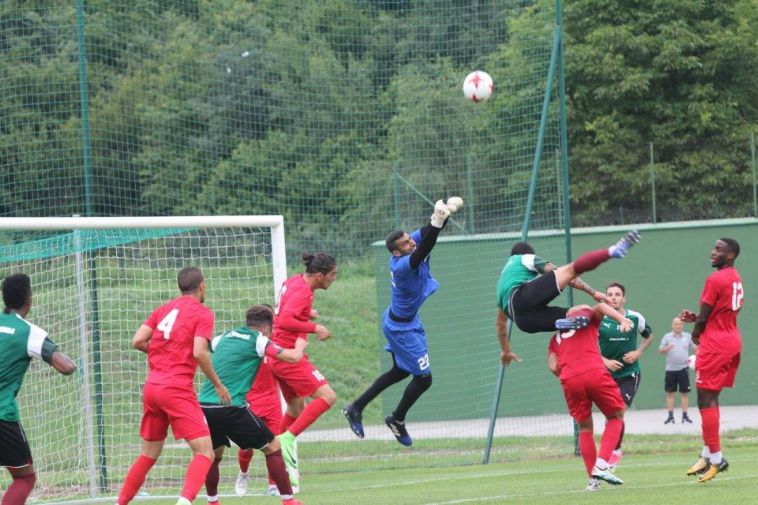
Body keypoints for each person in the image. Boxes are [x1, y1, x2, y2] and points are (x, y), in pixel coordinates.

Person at [342, 197, 463, 446]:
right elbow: (426, 246)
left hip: (403, 320)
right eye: (406, 243)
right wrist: (438, 221)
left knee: (400, 371)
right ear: (396, 252)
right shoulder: (403, 266)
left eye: (410, 239)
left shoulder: (409, 246)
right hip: (401, 328)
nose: (411, 242)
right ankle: (396, 419)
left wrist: (443, 214)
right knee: (423, 378)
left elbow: (427, 234)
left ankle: (355, 406)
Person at [116, 267, 231, 505]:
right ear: (202, 286)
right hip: (176, 389)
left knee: (148, 454)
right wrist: (218, 384)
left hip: (152, 387)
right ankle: (184, 502)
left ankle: (120, 503)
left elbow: (137, 340)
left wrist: (163, 351)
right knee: (205, 452)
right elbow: (199, 352)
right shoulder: (203, 313)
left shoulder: (164, 309)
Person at [200, 305, 303, 505]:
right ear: (267, 328)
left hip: (205, 406)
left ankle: (212, 501)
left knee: (214, 454)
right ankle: (289, 501)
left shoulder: (224, 337)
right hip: (231, 407)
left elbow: (201, 349)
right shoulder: (259, 340)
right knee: (273, 447)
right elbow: (292, 357)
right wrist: (300, 343)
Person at [0, 273, 77, 505]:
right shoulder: (29, 332)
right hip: (2, 415)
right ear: (29, 299)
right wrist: (75, 364)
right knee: (25, 477)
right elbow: (65, 367)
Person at [495, 229, 640, 342]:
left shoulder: (501, 281)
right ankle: (612, 251)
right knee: (570, 271)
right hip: (521, 298)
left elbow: (504, 317)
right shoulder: (524, 258)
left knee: (580, 311)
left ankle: (565, 322)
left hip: (524, 323)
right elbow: (567, 276)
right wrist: (593, 292)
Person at [270, 252, 338, 489]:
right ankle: (287, 438)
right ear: (319, 275)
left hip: (277, 354)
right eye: (332, 274)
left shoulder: (295, 281)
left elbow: (286, 310)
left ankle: (274, 472)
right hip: (288, 355)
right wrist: (314, 327)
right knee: (328, 396)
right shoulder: (303, 291)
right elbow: (284, 321)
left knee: (296, 408)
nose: (334, 278)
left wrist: (306, 313)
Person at [547, 303, 632, 491]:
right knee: (616, 416)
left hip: (569, 378)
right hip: (594, 372)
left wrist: (571, 374)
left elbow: (553, 366)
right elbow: (601, 305)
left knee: (584, 427)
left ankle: (593, 482)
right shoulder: (589, 321)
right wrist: (621, 318)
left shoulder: (555, 338)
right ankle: (601, 465)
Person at [680, 238, 743, 483]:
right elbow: (716, 313)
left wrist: (696, 330)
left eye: (719, 249)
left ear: (730, 255)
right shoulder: (734, 277)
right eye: (714, 247)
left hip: (715, 344)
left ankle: (717, 458)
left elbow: (705, 316)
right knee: (710, 397)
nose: (713, 251)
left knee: (704, 398)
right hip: (730, 339)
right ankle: (707, 453)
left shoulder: (715, 279)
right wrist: (697, 319)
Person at [598, 282, 654, 470]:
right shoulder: (600, 319)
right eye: (610, 294)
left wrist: (638, 352)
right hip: (606, 375)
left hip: (629, 374)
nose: (613, 297)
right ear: (606, 298)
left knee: (618, 410)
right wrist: (604, 360)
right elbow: (587, 344)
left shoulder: (635, 317)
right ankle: (613, 450)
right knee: (610, 417)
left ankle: (613, 454)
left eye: (617, 294)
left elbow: (649, 336)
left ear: (624, 298)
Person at [234, 356, 287, 497]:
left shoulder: (274, 348)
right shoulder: (247, 346)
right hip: (250, 401)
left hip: (272, 403)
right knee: (246, 447)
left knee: (275, 446)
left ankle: (273, 484)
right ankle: (243, 474)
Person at [658, 317, 696, 424]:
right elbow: (660, 350)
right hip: (670, 370)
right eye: (676, 324)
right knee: (670, 393)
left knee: (684, 393)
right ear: (672, 325)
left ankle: (685, 416)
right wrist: (667, 348)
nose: (678, 326)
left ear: (682, 325)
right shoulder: (667, 337)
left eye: (680, 324)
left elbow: (696, 348)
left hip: (684, 369)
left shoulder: (688, 336)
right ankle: (670, 416)